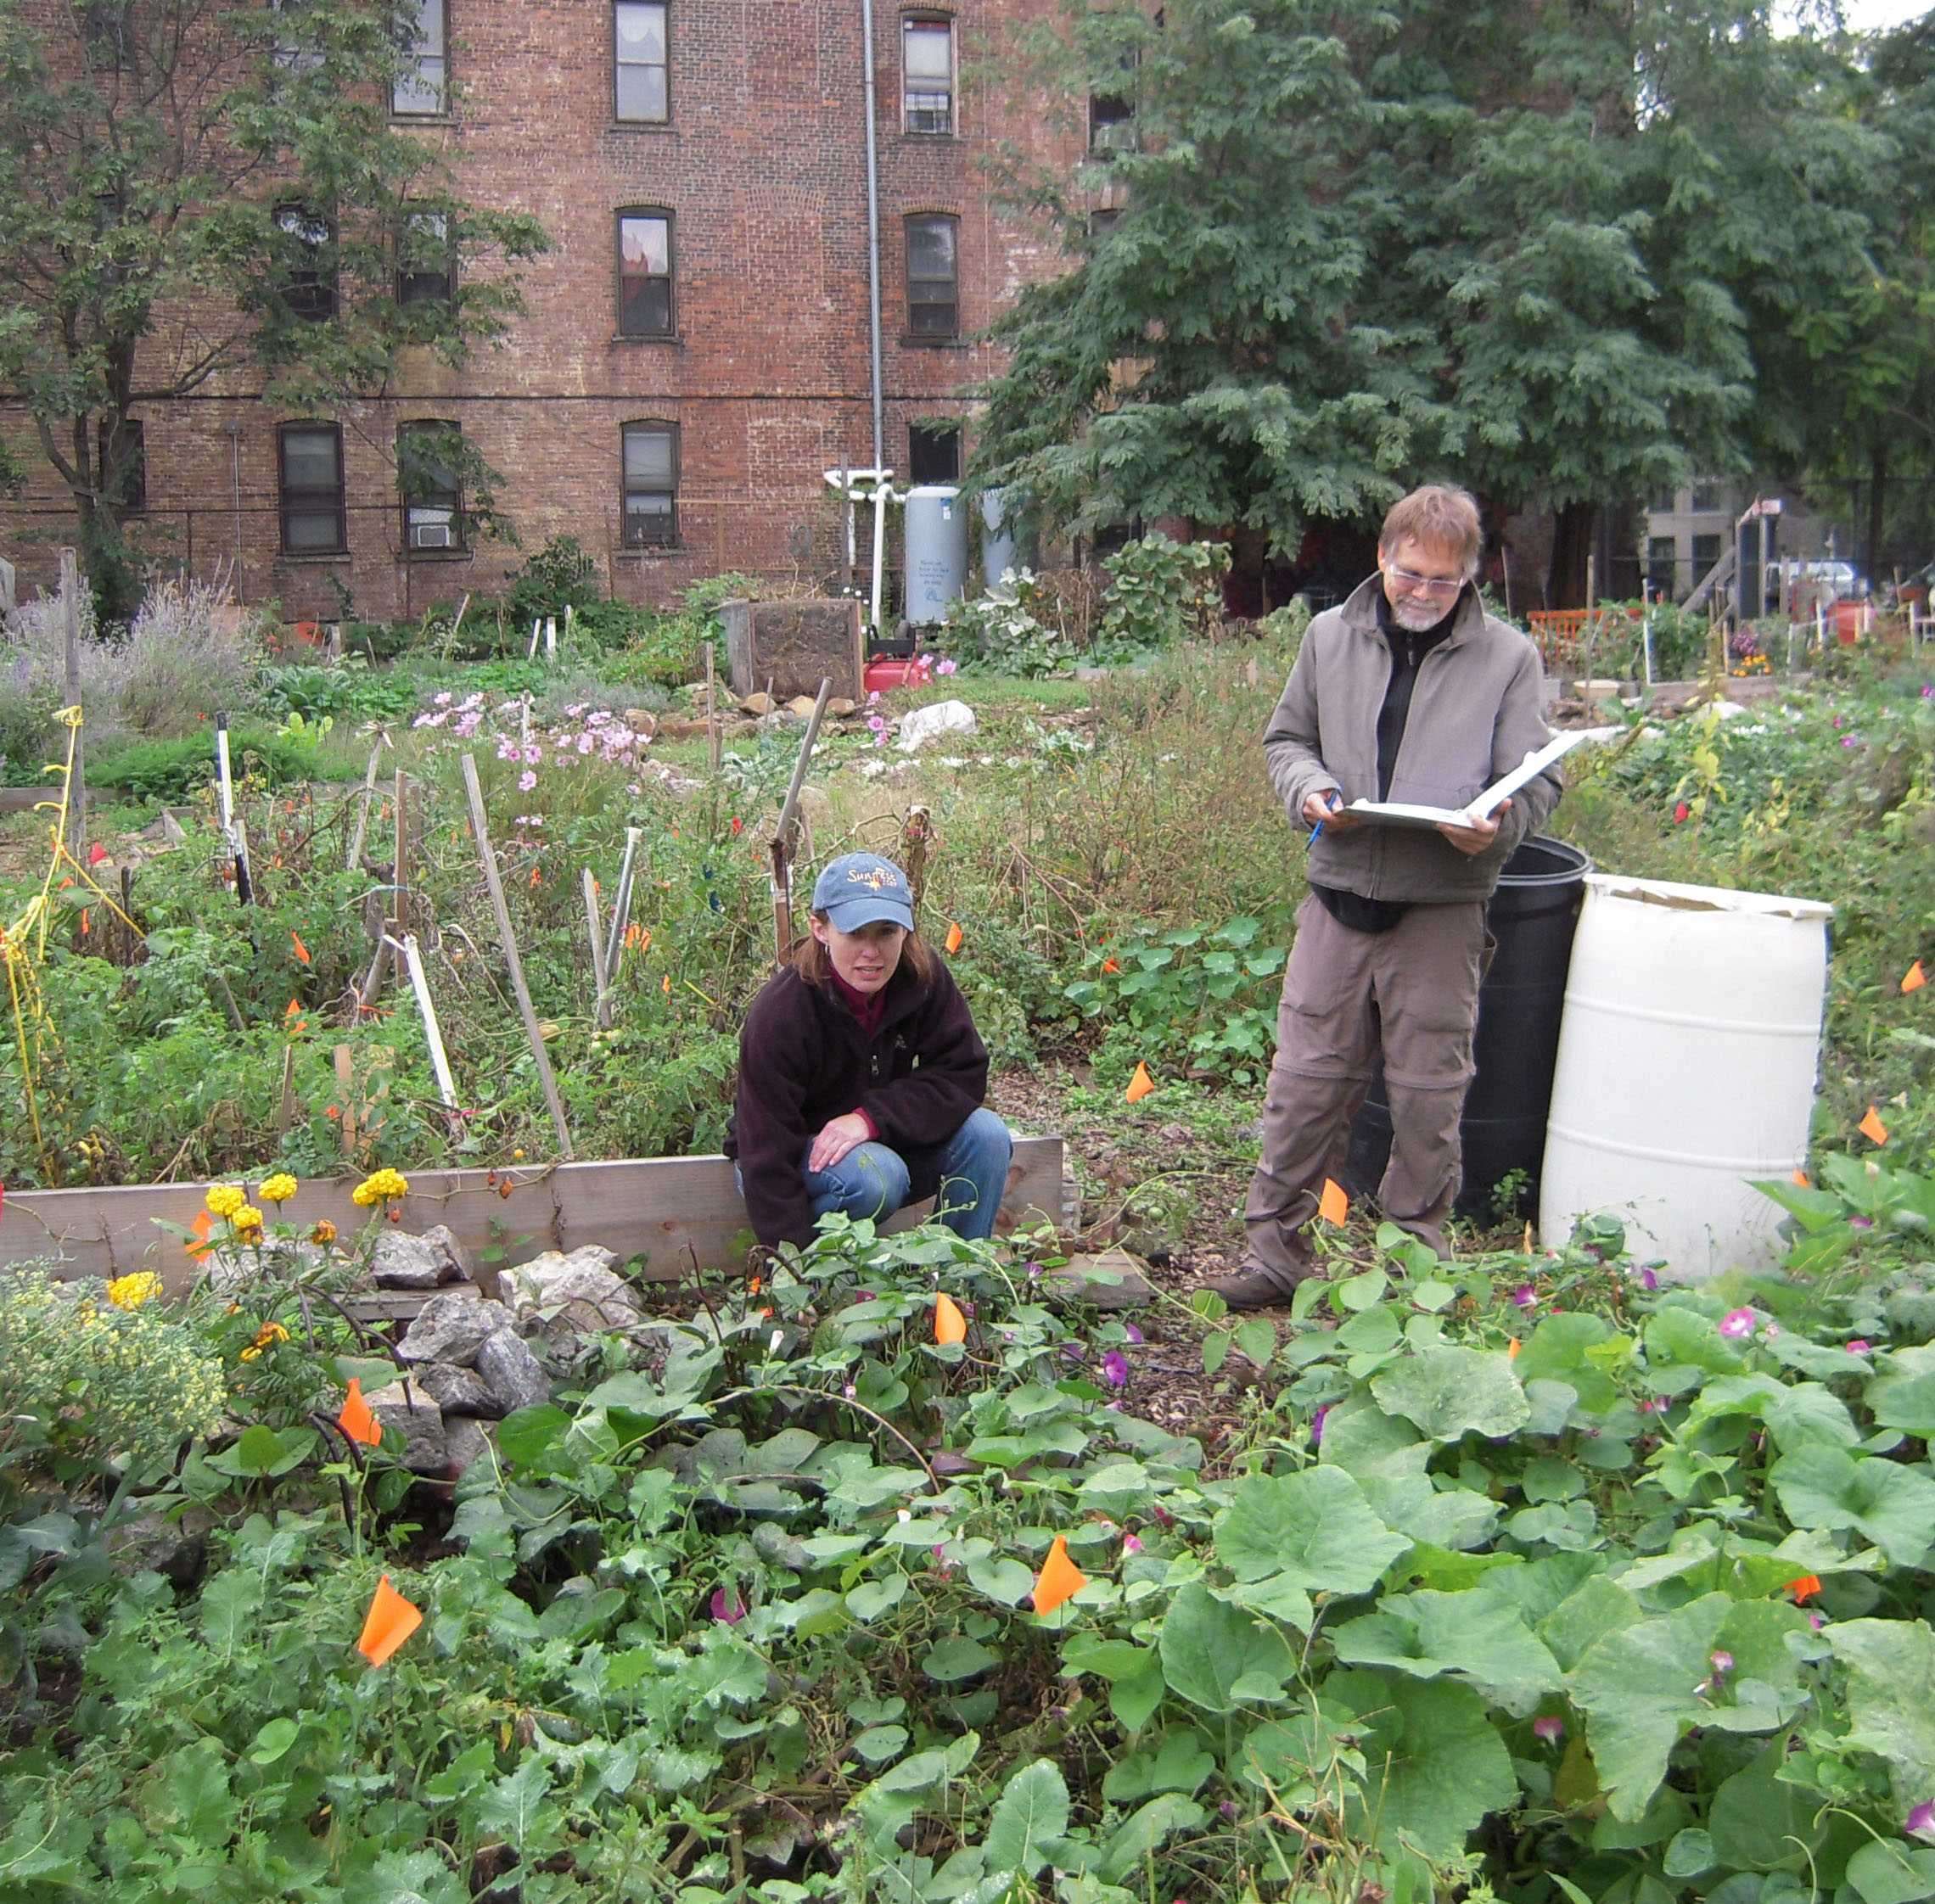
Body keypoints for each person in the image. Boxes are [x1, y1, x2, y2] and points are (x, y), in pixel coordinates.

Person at [1207, 484, 1563, 1309]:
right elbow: (1286, 739)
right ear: (1382, 556)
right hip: (1336, 897)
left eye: (1443, 582)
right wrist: (1307, 788)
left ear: (1470, 577)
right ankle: (1272, 1258)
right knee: (1302, 1084)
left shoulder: (1508, 658)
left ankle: (1412, 1276)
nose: (1423, 594)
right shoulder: (1329, 638)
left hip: (1441, 911)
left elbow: (1540, 781)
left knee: (1427, 1099)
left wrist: (1497, 826)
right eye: (1411, 574)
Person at [726, 851, 1014, 1252]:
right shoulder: (783, 1012)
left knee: (987, 1135)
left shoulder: (921, 978)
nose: (872, 951)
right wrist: (791, 1270)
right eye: (855, 933)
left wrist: (870, 1119)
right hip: (788, 1160)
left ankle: (957, 1275)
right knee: (878, 1176)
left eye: (886, 931)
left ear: (906, 932)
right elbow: (764, 1152)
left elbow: (962, 1072)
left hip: (877, 1144)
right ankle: (831, 1270)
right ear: (821, 929)